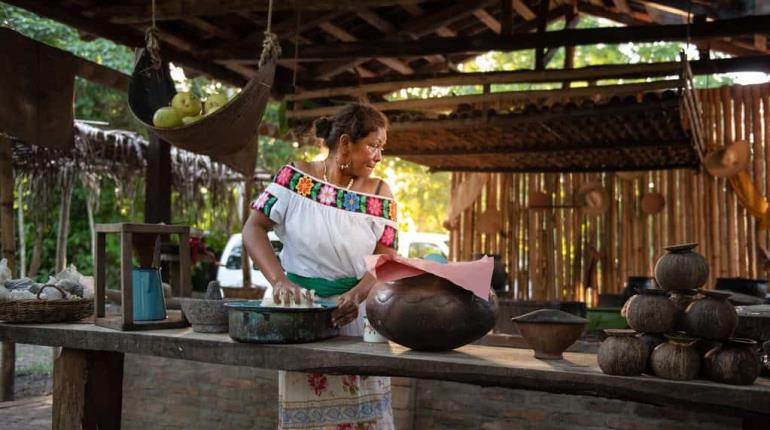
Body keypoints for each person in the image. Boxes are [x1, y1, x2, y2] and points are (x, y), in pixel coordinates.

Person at [242, 102, 398, 429]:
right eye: (373, 145)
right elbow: (252, 228)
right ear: (344, 143)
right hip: (303, 318)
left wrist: (356, 296)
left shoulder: (381, 194)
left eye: (381, 148)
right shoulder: (294, 179)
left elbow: (386, 258)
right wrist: (279, 281)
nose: (378, 157)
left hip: (358, 320)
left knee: (365, 418)